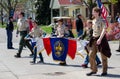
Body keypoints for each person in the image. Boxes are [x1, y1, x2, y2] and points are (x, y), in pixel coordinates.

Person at [86, 7, 111, 76]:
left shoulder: (102, 20)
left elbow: (104, 30)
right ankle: (93, 70)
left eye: (93, 11)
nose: (92, 13)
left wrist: (100, 39)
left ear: (97, 12)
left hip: (101, 39)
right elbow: (93, 30)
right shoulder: (93, 21)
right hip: (94, 39)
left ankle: (104, 71)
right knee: (91, 55)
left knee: (103, 56)